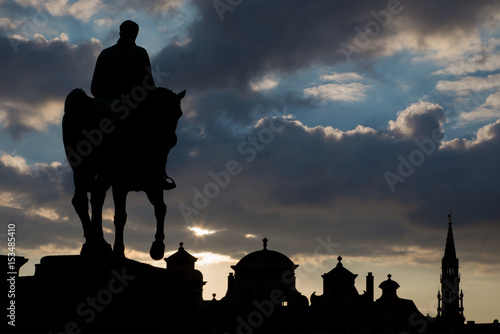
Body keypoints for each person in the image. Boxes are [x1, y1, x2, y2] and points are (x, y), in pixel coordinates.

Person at [91, 20, 175, 190]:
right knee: (159, 133)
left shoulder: (105, 54)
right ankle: (158, 174)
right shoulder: (139, 53)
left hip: (104, 103)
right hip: (131, 105)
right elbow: (149, 85)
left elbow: (94, 87)